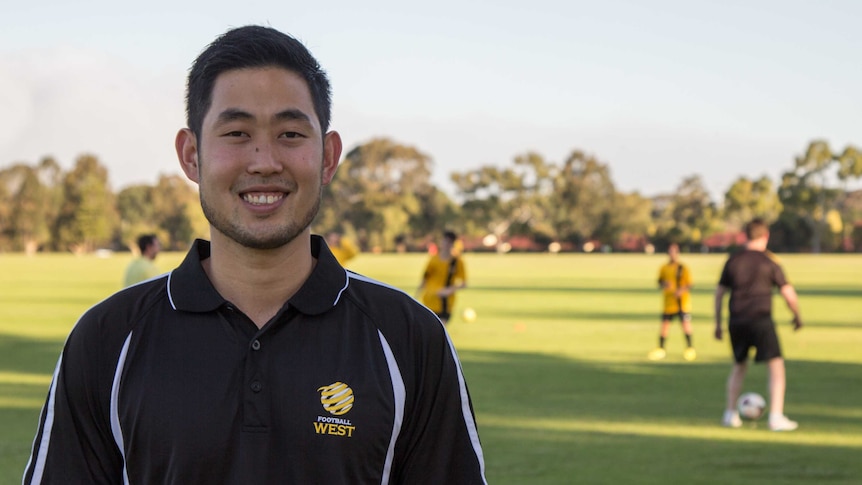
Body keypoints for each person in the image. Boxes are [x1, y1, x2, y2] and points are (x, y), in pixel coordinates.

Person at [23, 25, 486, 484]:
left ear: (327, 156)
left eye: (289, 134)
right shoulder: (106, 339)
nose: (264, 161)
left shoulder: (409, 338)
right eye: (237, 133)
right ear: (191, 155)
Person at [714, 218, 803, 431]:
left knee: (738, 366)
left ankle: (730, 414)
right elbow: (787, 292)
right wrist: (796, 315)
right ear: (765, 236)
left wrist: (718, 323)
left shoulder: (733, 260)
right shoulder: (770, 261)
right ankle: (775, 416)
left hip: (736, 320)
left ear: (745, 235)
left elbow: (719, 294)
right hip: (761, 320)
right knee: (776, 367)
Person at [648, 243, 696, 361]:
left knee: (686, 325)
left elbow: (689, 284)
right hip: (668, 303)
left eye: (674, 252)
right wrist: (665, 284)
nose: (672, 254)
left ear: (677, 253)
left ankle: (690, 348)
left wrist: (681, 291)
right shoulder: (664, 268)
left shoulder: (682, 268)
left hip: (682, 303)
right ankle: (661, 348)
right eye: (670, 252)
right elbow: (659, 282)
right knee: (665, 326)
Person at [417, 231, 467, 325]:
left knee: (439, 332)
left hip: (445, 304)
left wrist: (449, 290)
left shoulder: (457, 262)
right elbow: (424, 279)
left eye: (449, 242)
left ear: (453, 244)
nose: (446, 244)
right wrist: (416, 297)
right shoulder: (433, 259)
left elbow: (464, 283)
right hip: (429, 301)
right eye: (445, 241)